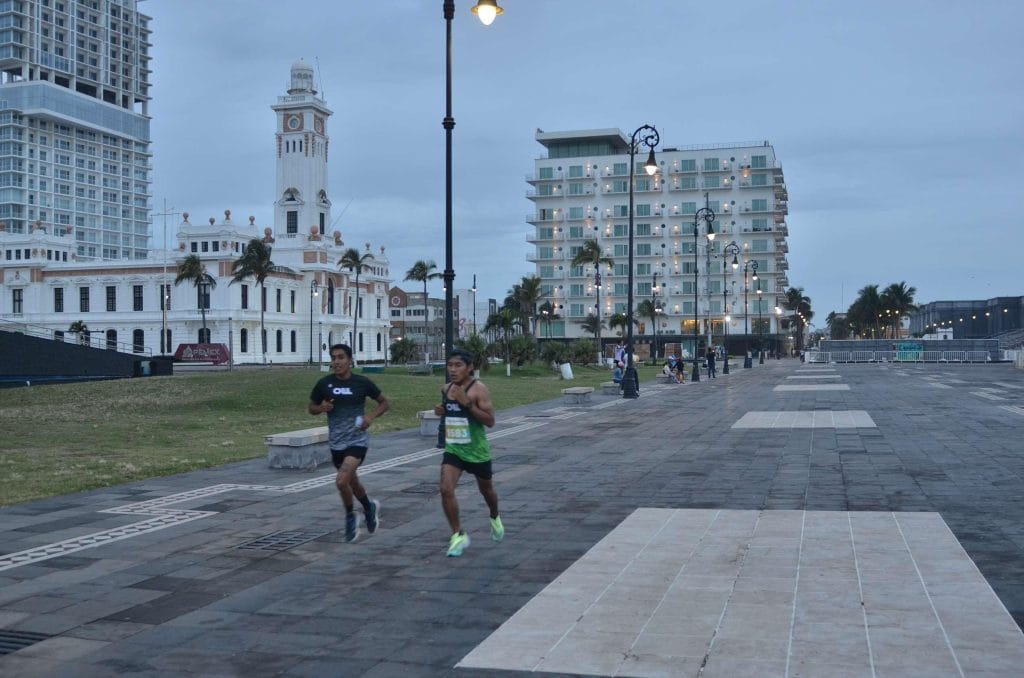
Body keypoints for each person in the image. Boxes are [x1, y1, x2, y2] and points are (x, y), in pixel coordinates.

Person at [309, 343, 390, 542]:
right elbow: (311, 407)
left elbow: (384, 403)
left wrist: (369, 418)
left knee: (341, 480)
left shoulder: (361, 383)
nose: (336, 362)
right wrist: (321, 407)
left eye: (341, 358)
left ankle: (350, 515)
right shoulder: (324, 384)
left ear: (350, 360)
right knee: (352, 483)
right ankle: (369, 507)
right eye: (333, 358)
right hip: (336, 443)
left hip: (357, 441)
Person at [435, 349, 502, 557]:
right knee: (446, 489)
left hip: (477, 451)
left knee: (487, 492)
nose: (453, 370)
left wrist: (467, 403)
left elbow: (490, 421)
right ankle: (458, 534)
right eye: (450, 365)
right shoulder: (446, 388)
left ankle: (494, 516)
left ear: (469, 367)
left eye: (458, 365)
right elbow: (452, 413)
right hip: (454, 448)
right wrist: (443, 411)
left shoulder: (478, 389)